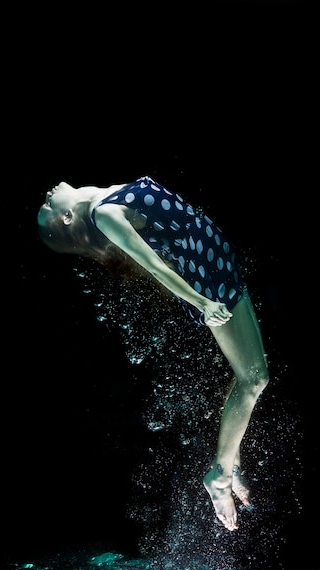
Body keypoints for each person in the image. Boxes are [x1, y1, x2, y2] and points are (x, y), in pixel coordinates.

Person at [37, 175, 269, 531]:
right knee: (253, 380)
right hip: (207, 280)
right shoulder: (105, 214)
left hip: (217, 260)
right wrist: (201, 302)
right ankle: (220, 476)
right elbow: (155, 267)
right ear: (67, 218)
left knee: (250, 374)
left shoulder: (107, 192)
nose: (48, 196)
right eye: (47, 208)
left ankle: (230, 461)